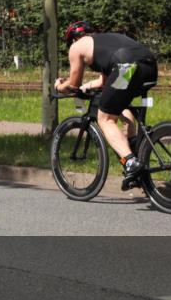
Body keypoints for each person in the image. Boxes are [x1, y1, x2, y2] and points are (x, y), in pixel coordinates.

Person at [54, 21, 159, 190]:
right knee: (123, 107)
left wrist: (59, 86)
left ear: (72, 39)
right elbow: (104, 81)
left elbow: (73, 83)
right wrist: (85, 87)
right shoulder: (103, 42)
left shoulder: (76, 47)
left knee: (105, 118)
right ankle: (136, 155)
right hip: (148, 65)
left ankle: (131, 162)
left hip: (125, 67)